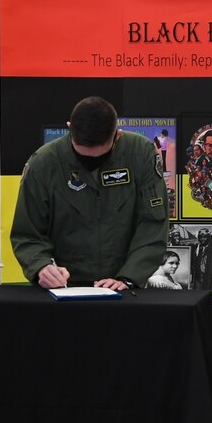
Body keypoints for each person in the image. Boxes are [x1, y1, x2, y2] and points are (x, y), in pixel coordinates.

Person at [11, 96, 168, 290]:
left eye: (100, 157)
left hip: (124, 288)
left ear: (117, 135)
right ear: (69, 128)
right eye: (82, 156)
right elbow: (28, 233)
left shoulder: (140, 154)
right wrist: (41, 266)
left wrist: (129, 277)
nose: (90, 165)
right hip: (63, 289)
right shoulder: (43, 164)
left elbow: (152, 224)